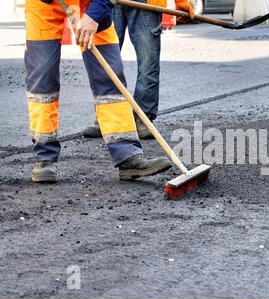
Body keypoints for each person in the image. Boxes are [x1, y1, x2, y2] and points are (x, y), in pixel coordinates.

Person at [26, 0, 172, 183]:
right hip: (43, 6)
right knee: (43, 76)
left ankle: (127, 156)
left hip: (92, 2)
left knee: (110, 76)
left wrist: (94, 15)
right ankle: (44, 157)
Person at [82, 0, 194, 139]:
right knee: (105, 62)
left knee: (148, 63)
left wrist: (181, 1)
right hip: (109, 2)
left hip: (146, 3)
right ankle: (107, 119)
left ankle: (143, 119)